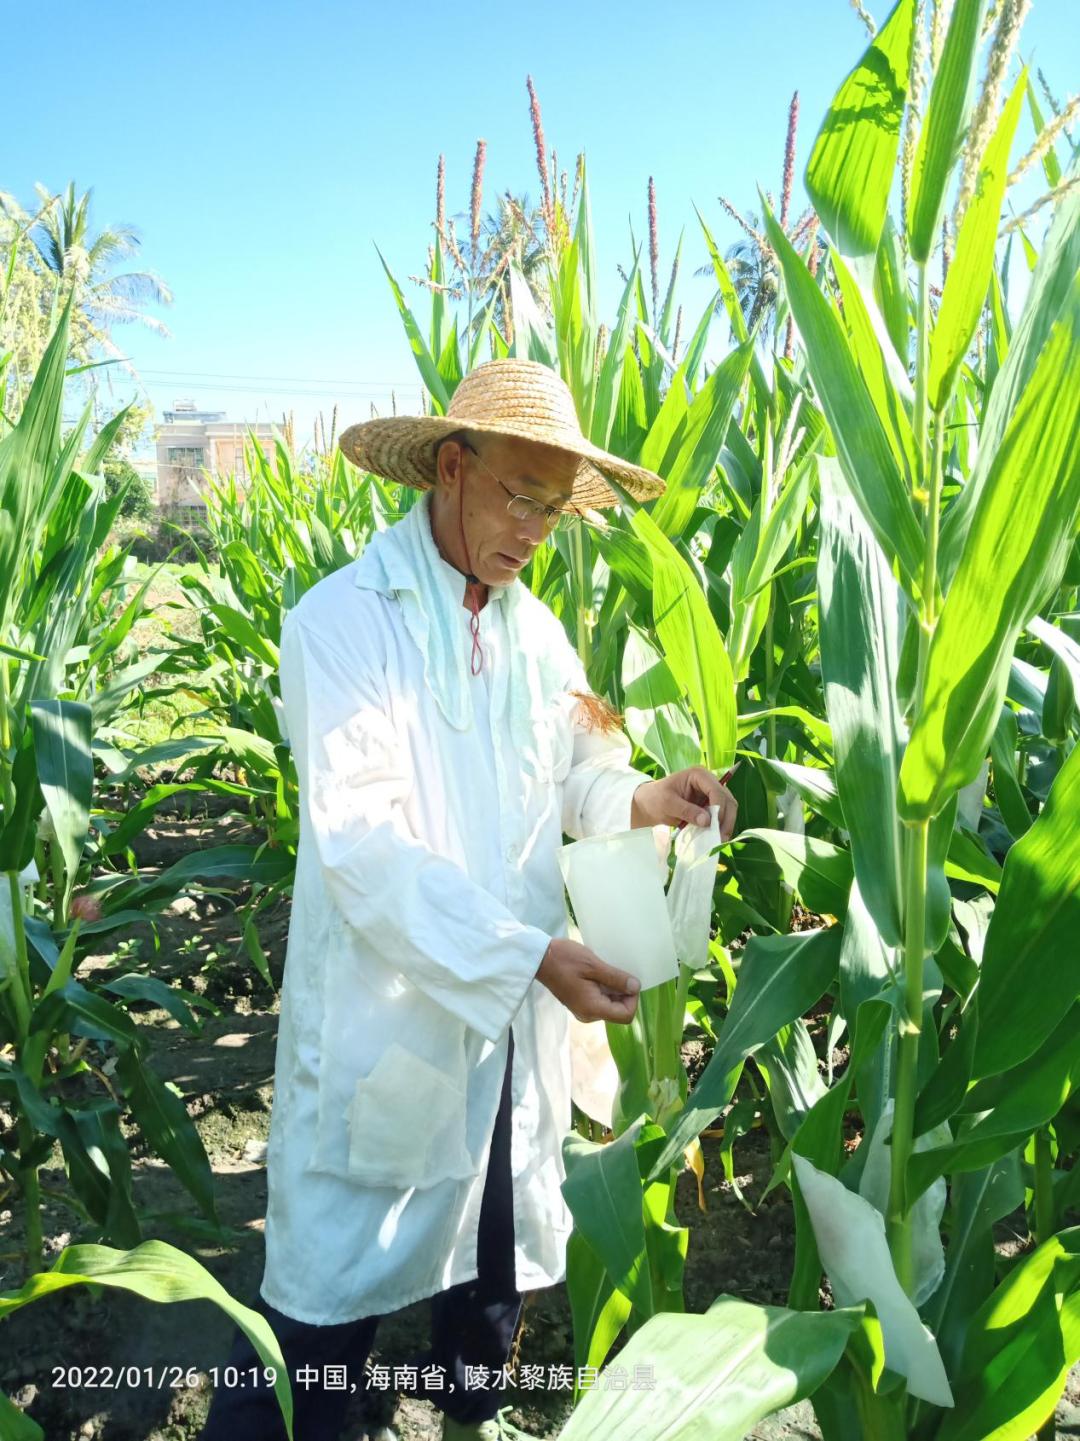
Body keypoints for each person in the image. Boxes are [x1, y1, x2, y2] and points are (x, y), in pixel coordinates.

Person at [199, 359, 737, 1441]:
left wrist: (643, 796)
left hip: (508, 1038)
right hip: (388, 1025)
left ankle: (469, 1418)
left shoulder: (536, 636)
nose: (538, 530)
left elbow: (578, 773)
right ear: (451, 467)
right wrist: (529, 954)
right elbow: (364, 849)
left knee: (488, 1292)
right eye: (522, 498)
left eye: (556, 510)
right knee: (319, 1330)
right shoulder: (342, 625)